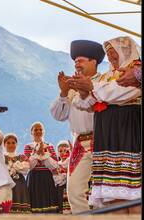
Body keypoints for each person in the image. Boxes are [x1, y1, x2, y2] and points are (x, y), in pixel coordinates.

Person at [69, 36, 141, 213]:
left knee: (132, 195)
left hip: (127, 134)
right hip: (108, 139)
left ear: (126, 52)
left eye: (114, 55)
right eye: (109, 56)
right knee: (112, 196)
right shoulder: (108, 76)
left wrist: (91, 88)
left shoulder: (135, 71)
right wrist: (84, 91)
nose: (111, 59)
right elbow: (84, 104)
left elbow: (119, 92)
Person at [50, 39, 105, 214]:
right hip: (80, 143)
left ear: (94, 62)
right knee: (73, 191)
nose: (77, 64)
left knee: (105, 191)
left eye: (80, 60)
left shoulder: (104, 81)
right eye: (75, 62)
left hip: (104, 142)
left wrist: (88, 89)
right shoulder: (71, 86)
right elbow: (58, 115)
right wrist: (64, 92)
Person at [23, 122, 61, 214]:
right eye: (35, 129)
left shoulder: (49, 146)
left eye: (40, 129)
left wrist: (44, 155)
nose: (38, 131)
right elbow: (28, 166)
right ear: (31, 132)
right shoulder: (28, 147)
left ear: (43, 131)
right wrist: (36, 154)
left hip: (47, 177)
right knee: (35, 200)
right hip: (34, 177)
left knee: (48, 200)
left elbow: (55, 165)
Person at [3, 133, 31, 214]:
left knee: (19, 202)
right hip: (6, 183)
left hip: (19, 183)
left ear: (16, 144)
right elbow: (0, 169)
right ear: (4, 144)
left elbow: (26, 169)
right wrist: (15, 166)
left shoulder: (21, 156)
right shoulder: (1, 157)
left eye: (13, 143)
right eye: (8, 143)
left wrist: (13, 166)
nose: (11, 145)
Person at [56, 140, 71, 214]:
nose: (62, 153)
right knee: (61, 201)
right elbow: (56, 177)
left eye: (65, 150)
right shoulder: (57, 164)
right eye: (60, 151)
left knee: (68, 202)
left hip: (68, 185)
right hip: (60, 186)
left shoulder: (70, 161)